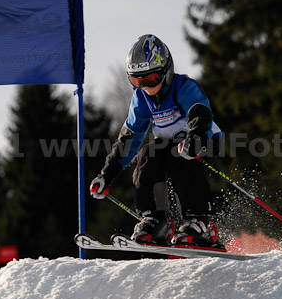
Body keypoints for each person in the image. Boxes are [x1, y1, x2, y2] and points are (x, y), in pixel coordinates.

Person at [89, 34, 225, 247]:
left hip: (204, 138)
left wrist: (196, 136)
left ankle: (199, 221)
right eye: (136, 80)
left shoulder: (182, 86)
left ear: (166, 71)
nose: (145, 86)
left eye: (150, 79)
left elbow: (200, 111)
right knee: (145, 156)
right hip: (172, 145)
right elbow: (129, 138)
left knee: (177, 156)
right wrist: (106, 174)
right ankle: (155, 220)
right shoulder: (141, 98)